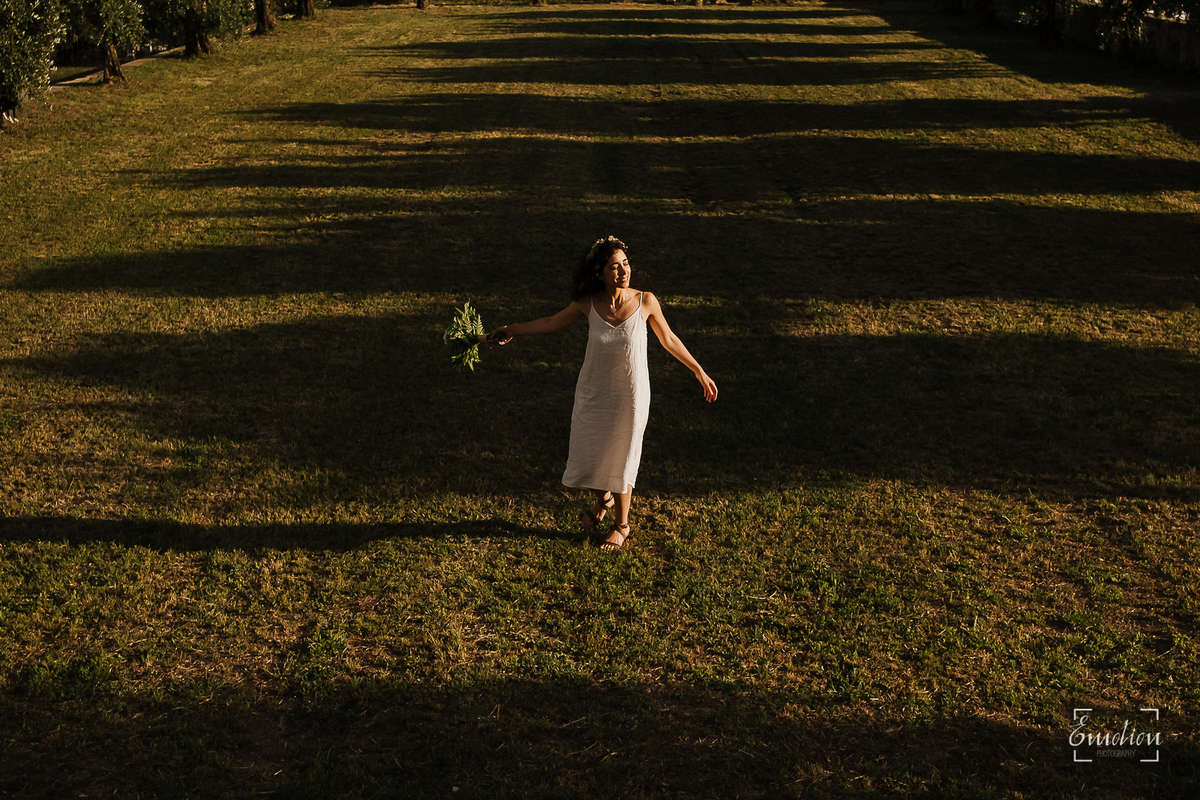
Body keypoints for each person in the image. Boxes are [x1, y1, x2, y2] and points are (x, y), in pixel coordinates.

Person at [489, 236, 718, 550]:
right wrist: (513, 329)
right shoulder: (588, 303)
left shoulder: (646, 301)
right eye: (614, 267)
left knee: (622, 458)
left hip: (632, 395)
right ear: (599, 273)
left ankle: (622, 527)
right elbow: (551, 322)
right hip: (595, 392)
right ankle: (604, 500)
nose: (623, 271)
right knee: (593, 458)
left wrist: (698, 370)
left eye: (625, 264)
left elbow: (669, 339)